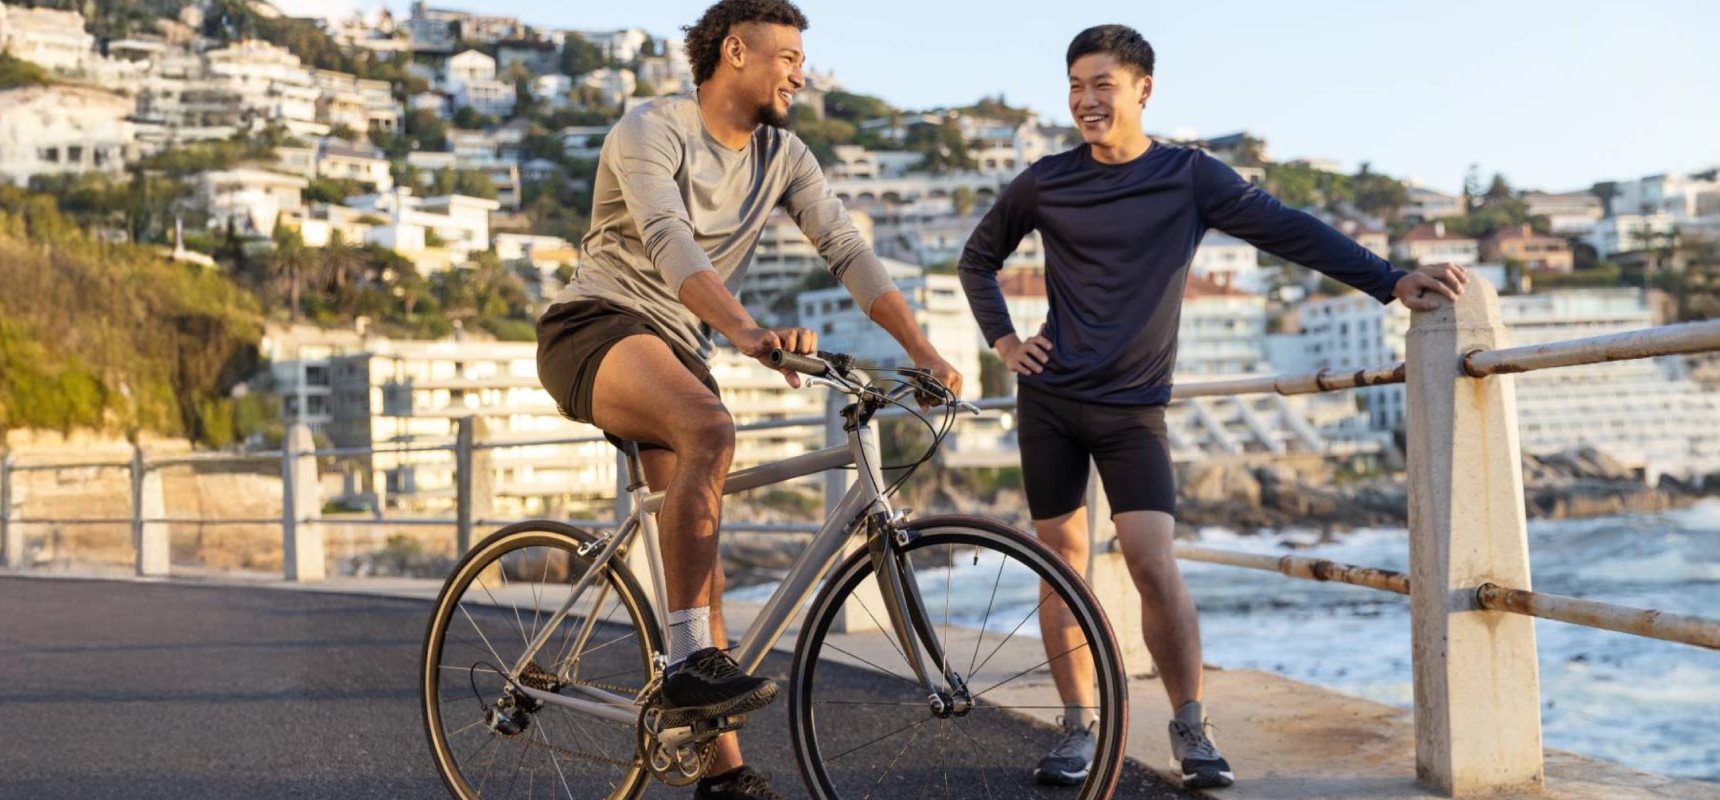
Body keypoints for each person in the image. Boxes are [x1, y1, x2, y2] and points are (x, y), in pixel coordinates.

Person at [956, 24, 1469, 791]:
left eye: (1102, 84)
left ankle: (1190, 727)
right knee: (1060, 562)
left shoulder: (1190, 177)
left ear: (1142, 90)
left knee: (1152, 563)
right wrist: (1002, 343)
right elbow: (977, 258)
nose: (1086, 100)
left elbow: (1290, 230)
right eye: (1075, 86)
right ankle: (1075, 730)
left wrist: (1388, 278)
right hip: (1051, 401)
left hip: (1132, 412)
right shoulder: (1045, 180)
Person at [533, 1, 966, 797]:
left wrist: (925, 351)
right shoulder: (651, 129)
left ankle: (721, 774)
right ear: (736, 51)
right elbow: (668, 240)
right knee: (710, 426)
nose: (803, 72)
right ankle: (690, 663)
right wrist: (746, 331)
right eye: (791, 56)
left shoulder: (785, 156)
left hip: (678, 347)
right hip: (595, 326)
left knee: (703, 565)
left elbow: (845, 247)